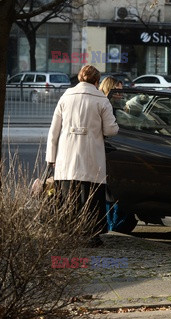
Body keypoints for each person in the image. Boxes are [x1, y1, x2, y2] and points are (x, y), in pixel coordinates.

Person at [46, 65, 119, 247]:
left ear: (79, 78)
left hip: (66, 157)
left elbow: (53, 131)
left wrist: (51, 158)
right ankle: (91, 235)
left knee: (68, 195)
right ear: (96, 81)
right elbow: (110, 129)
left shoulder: (66, 96)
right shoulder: (101, 99)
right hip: (91, 156)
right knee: (91, 197)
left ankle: (69, 233)